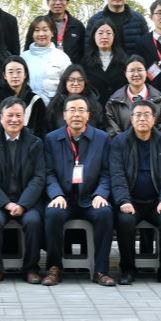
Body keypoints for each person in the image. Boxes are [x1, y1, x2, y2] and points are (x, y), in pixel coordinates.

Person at [42, 95, 115, 286]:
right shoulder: (51, 139)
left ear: (88, 115)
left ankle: (101, 270)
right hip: (64, 197)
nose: (76, 114)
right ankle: (54, 267)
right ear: (64, 115)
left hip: (91, 197)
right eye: (72, 110)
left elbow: (107, 172)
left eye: (81, 110)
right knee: (52, 213)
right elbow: (48, 173)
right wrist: (56, 194)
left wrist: (101, 194)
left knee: (105, 212)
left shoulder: (102, 138)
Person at [110, 99, 161, 286]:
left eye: (146, 115)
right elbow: (117, 175)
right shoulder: (119, 142)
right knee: (124, 221)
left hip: (157, 201)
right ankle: (128, 269)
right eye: (138, 115)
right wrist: (123, 200)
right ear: (131, 118)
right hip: (131, 201)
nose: (142, 119)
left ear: (154, 119)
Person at [0, 97, 45, 285]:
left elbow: (39, 177)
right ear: (1, 117)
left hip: (27, 201)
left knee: (33, 221)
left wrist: (22, 204)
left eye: (18, 115)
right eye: (10, 115)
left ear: (24, 117)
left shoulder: (35, 142)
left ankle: (31, 268)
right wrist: (6, 203)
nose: (14, 119)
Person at [105, 55, 161, 137]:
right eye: (132, 70)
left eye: (140, 70)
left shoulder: (159, 99)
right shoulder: (114, 101)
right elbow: (113, 131)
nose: (136, 74)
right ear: (125, 74)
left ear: (146, 72)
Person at [83, 0, 149, 59]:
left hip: (132, 66)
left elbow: (147, 47)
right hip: (104, 66)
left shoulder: (139, 19)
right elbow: (88, 49)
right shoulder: (94, 20)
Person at [0, 57, 47, 135]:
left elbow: (42, 132)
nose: (15, 76)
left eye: (19, 72)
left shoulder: (36, 101)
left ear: (25, 74)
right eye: (10, 72)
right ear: (4, 75)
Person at [26, 0, 85, 66]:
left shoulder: (77, 25)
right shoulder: (39, 24)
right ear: (48, 2)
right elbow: (28, 48)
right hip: (45, 67)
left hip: (71, 69)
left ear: (67, 2)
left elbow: (83, 52)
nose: (57, 3)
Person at [22, 16, 72, 104]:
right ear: (32, 34)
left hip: (54, 107)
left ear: (52, 32)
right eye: (37, 30)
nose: (41, 34)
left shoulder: (62, 58)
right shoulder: (23, 57)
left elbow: (69, 84)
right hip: (28, 106)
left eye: (45, 30)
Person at [45, 65, 107, 133]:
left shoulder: (95, 105)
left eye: (80, 80)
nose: (76, 83)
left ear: (85, 82)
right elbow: (48, 130)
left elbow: (101, 130)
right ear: (65, 82)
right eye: (71, 80)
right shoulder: (55, 104)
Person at [83, 22, 126, 104]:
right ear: (93, 36)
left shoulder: (125, 61)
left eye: (109, 33)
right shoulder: (85, 62)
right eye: (100, 33)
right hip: (95, 108)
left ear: (114, 36)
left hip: (119, 107)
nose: (104, 36)